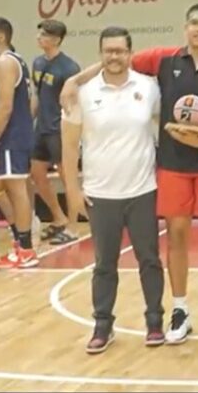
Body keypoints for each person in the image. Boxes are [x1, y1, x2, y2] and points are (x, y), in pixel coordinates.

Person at [62, 3, 198, 344]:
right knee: (175, 236)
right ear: (185, 27)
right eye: (194, 23)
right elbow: (115, 59)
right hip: (173, 166)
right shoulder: (163, 59)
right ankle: (179, 310)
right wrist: (75, 79)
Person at [61, 26, 166, 354]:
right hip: (100, 194)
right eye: (108, 51)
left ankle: (154, 322)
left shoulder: (149, 88)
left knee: (149, 260)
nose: (114, 56)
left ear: (130, 53)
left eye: (120, 50)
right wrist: (73, 191)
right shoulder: (83, 93)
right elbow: (68, 148)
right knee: (104, 265)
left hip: (142, 191)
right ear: (100, 53)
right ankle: (102, 325)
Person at [0, 17, 38, 270]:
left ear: (0, 36)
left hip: (10, 137)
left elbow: (5, 107)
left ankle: (25, 249)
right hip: (17, 135)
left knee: (16, 191)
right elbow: (30, 101)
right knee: (5, 186)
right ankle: (21, 244)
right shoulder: (16, 61)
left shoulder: (4, 64)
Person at [30, 19, 81, 245]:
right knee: (37, 174)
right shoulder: (38, 63)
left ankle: (73, 226)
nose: (40, 37)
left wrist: (72, 131)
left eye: (46, 34)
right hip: (41, 129)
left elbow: (75, 102)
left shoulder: (69, 68)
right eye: (39, 33)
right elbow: (37, 96)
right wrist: (29, 121)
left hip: (60, 130)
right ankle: (58, 219)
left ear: (57, 39)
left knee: (68, 179)